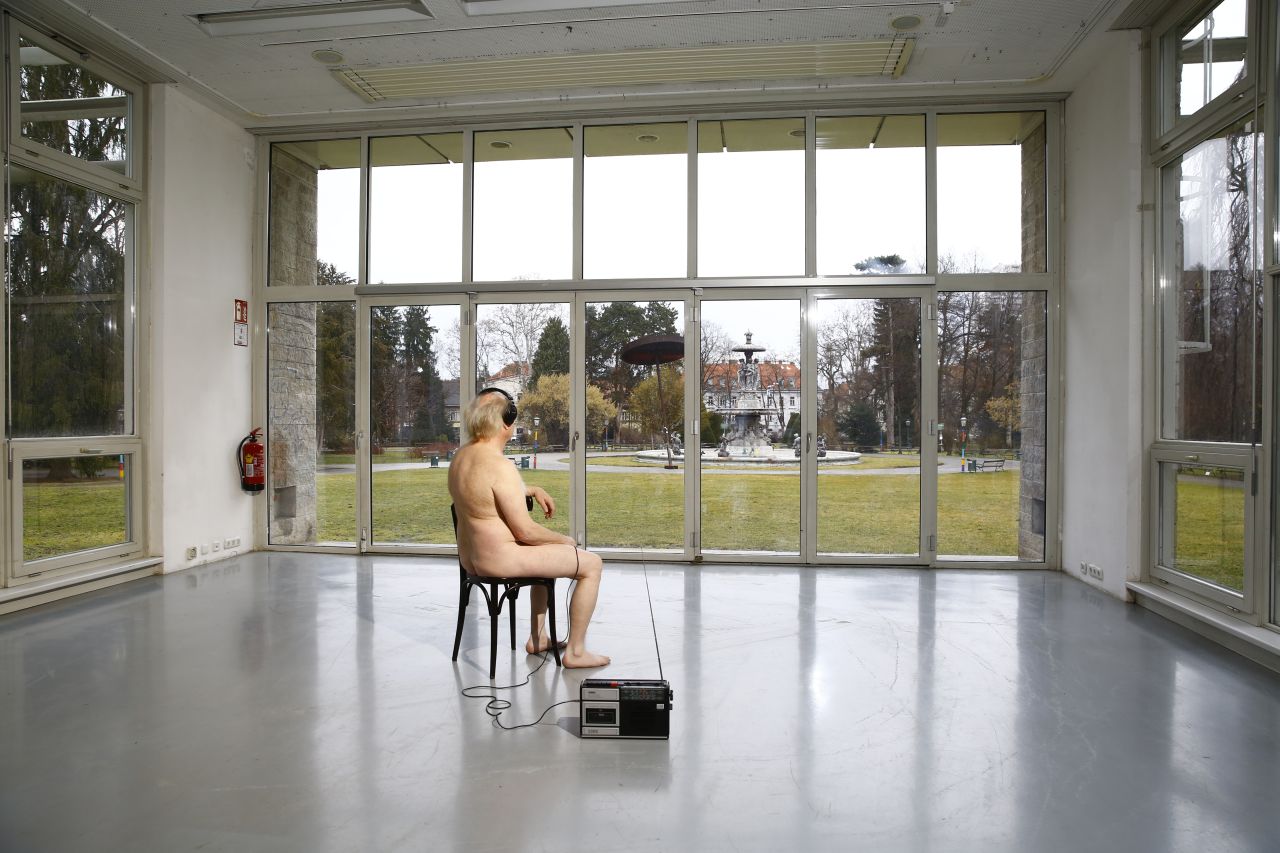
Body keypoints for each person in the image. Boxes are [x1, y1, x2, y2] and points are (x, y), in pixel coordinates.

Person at [448, 389, 609, 669]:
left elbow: (485, 494)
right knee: (592, 564)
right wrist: (565, 540)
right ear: (506, 422)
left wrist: (530, 489)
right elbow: (525, 532)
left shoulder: (461, 457)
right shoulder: (500, 466)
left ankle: (538, 638)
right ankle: (576, 652)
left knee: (546, 552)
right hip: (501, 560)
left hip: (473, 559)